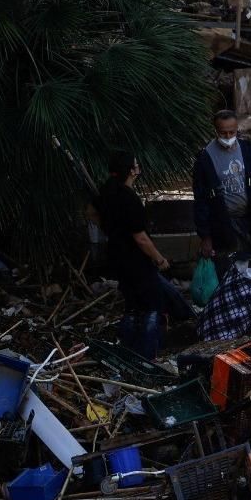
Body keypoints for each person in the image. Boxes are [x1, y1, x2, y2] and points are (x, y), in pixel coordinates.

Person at [95, 151, 187, 359]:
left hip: (118, 259)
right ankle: (146, 357)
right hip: (136, 261)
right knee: (151, 307)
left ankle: (127, 350)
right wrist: (159, 259)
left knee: (132, 306)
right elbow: (141, 238)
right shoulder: (129, 199)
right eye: (136, 166)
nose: (138, 169)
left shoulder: (106, 192)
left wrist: (111, 231)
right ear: (130, 171)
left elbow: (91, 212)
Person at [193, 110, 251, 275]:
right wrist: (205, 236)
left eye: (231, 132)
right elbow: (201, 200)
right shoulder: (205, 158)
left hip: (248, 219)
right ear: (215, 131)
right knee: (228, 269)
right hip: (222, 223)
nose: (228, 136)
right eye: (223, 133)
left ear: (237, 129)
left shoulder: (247, 150)